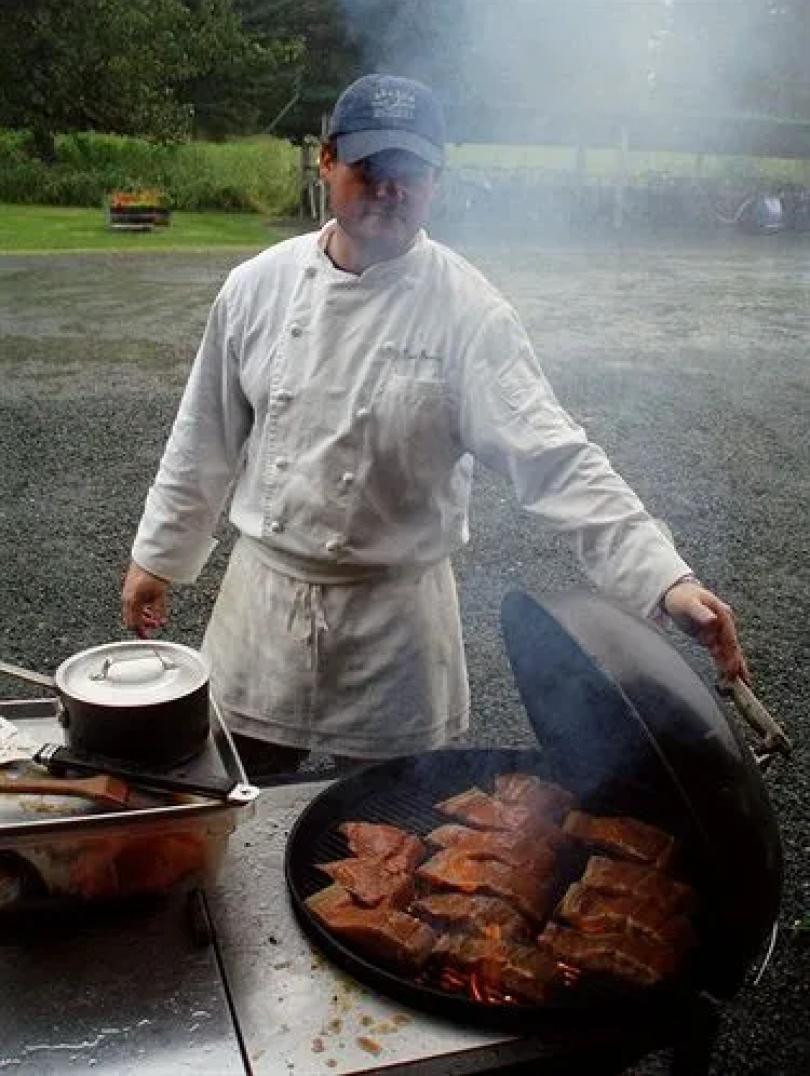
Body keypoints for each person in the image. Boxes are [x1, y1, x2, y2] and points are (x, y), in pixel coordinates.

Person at [122, 74, 748, 780]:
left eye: (410, 173)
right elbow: (202, 437)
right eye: (371, 168)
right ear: (328, 161)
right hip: (263, 615)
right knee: (240, 802)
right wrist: (157, 559)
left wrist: (664, 577)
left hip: (396, 631)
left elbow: (556, 459)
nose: (390, 189)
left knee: (389, 823)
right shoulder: (256, 287)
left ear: (436, 182)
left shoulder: (469, 313)